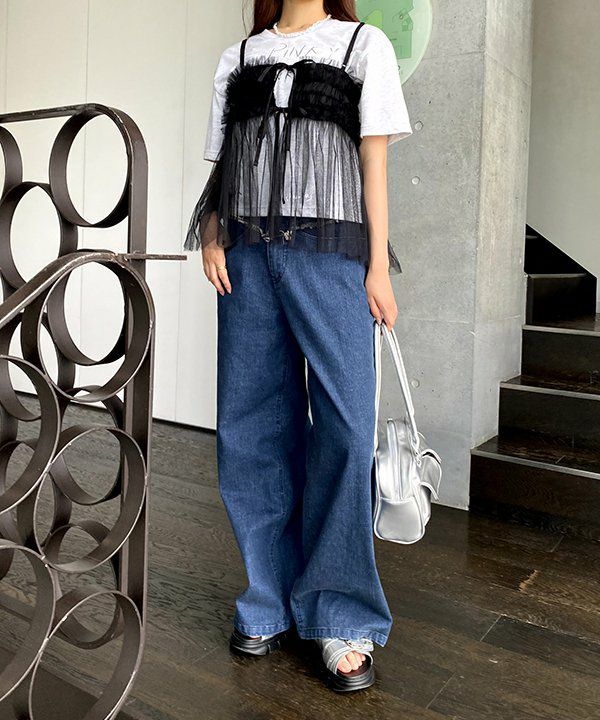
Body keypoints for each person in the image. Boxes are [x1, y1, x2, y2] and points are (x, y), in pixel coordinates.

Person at [184, 0, 413, 692]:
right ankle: (268, 598)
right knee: (250, 427)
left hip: (333, 257)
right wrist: (213, 234)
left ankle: (341, 611)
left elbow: (373, 162)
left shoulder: (362, 46)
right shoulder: (241, 55)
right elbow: (225, 161)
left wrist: (377, 266)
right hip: (248, 259)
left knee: (347, 427)